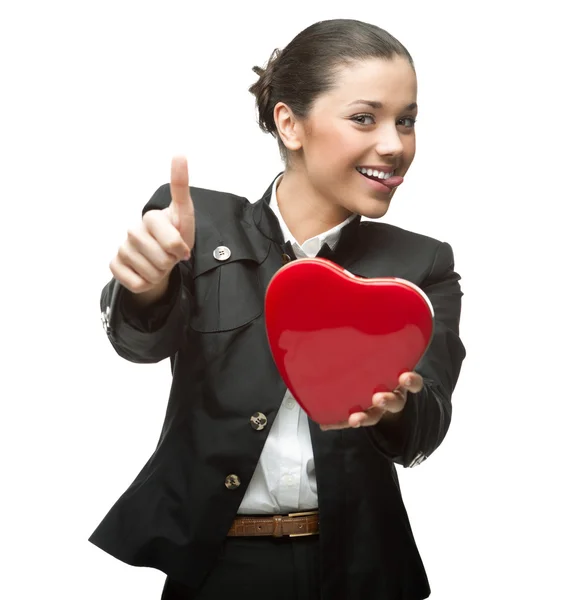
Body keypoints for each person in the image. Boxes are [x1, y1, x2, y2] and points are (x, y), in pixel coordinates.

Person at [89, 18, 466, 600]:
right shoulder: (196, 224)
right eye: (365, 117)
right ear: (290, 123)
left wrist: (394, 409)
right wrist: (143, 286)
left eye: (407, 120)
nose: (394, 145)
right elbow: (139, 343)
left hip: (361, 571)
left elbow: (425, 428)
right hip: (218, 571)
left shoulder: (421, 266)